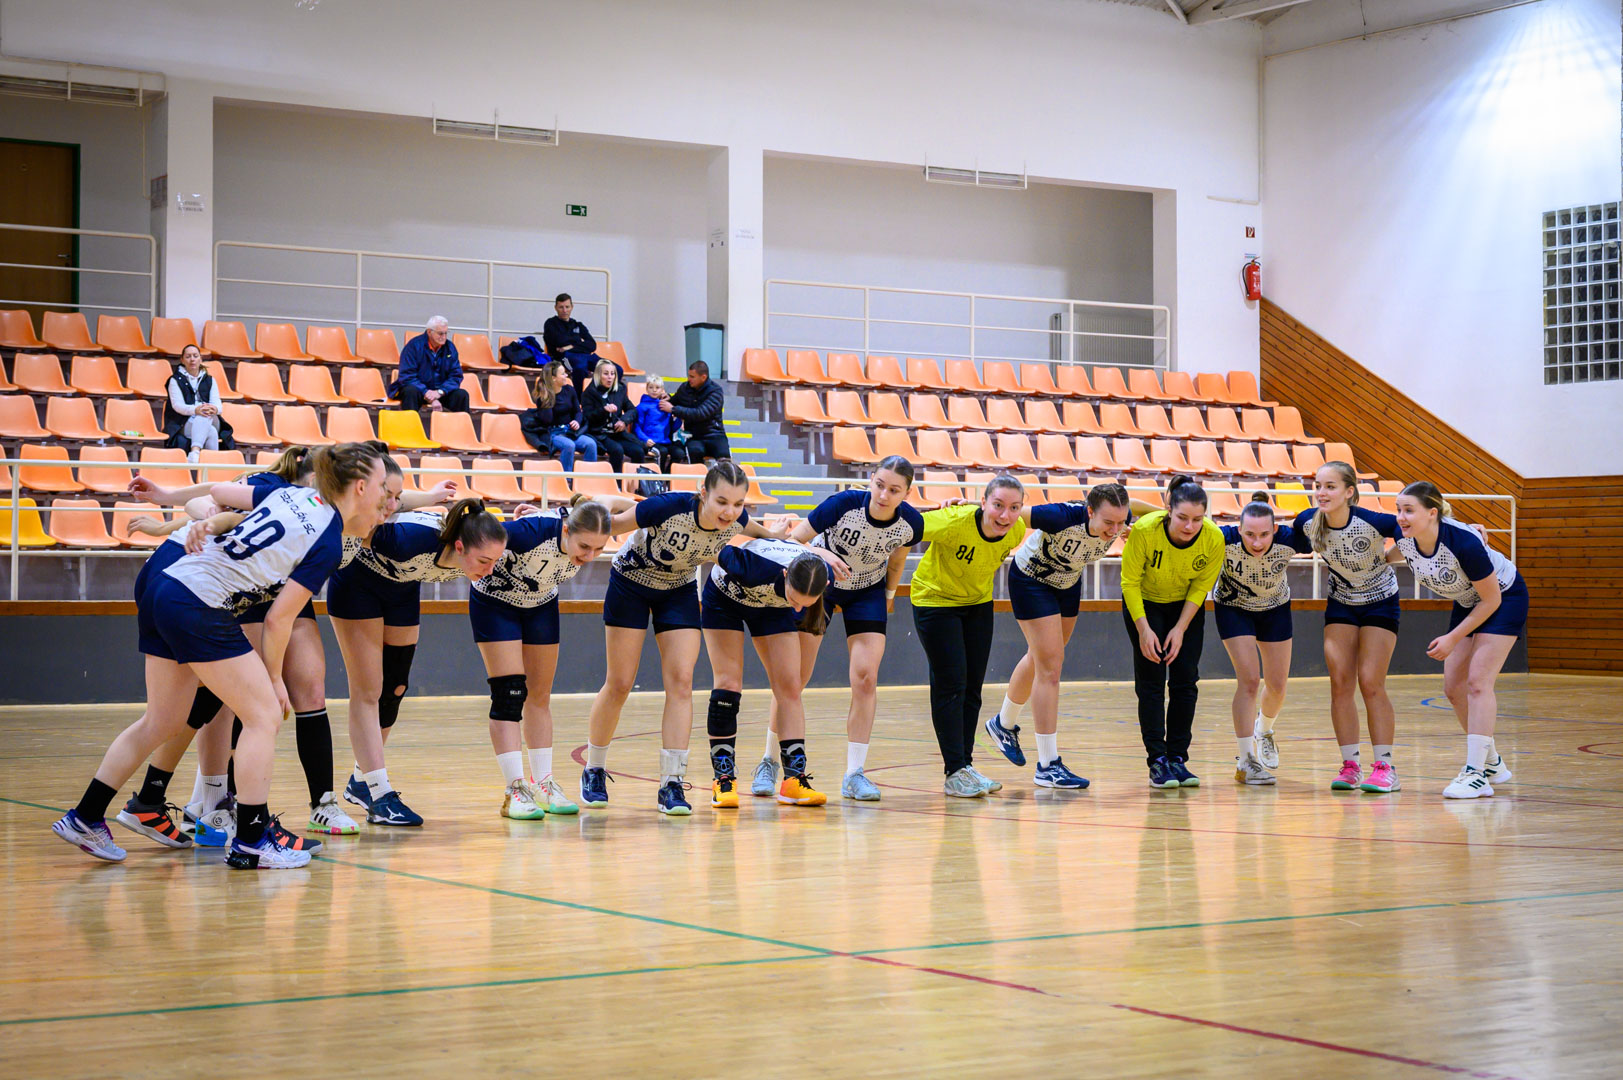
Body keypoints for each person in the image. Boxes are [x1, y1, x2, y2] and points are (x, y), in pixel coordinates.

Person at [51, 443, 389, 868]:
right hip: (199, 601)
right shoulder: (328, 539)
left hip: (167, 585)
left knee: (162, 720)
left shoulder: (293, 493)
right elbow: (278, 619)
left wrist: (206, 520)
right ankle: (252, 839)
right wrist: (274, 679)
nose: (386, 496)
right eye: (383, 486)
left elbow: (222, 495)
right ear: (360, 487)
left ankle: (85, 816)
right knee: (263, 715)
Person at [582, 460, 787, 815]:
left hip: (677, 590)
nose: (730, 512)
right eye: (722, 501)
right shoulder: (667, 507)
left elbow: (756, 531)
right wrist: (596, 504)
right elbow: (609, 525)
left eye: (738, 503)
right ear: (702, 493)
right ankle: (594, 768)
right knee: (620, 683)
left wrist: (776, 535)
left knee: (681, 682)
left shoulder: (735, 520)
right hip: (631, 583)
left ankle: (672, 783)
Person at [752, 458, 924, 802]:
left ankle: (854, 773)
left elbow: (897, 559)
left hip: (867, 591)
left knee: (866, 678)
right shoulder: (843, 504)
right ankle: (769, 761)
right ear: (871, 479)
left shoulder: (911, 523)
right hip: (822, 586)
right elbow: (794, 542)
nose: (884, 495)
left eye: (894, 490)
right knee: (794, 680)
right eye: (879, 485)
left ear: (906, 493)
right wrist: (823, 554)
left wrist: (889, 596)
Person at [329, 500, 508, 827]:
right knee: (368, 690)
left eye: (495, 561)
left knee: (395, 686)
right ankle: (380, 795)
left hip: (402, 589)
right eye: (484, 561)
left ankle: (361, 780)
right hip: (358, 582)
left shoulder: (479, 546)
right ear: (459, 547)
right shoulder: (407, 540)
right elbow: (346, 522)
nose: (490, 570)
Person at [470, 495, 622, 818]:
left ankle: (543, 782)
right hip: (496, 603)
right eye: (584, 547)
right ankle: (515, 789)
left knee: (539, 696)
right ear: (566, 530)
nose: (589, 556)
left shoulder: (577, 526)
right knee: (509, 694)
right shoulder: (528, 534)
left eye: (598, 549)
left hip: (540, 605)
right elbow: (479, 536)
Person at [985, 481, 1134, 790]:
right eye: (1108, 522)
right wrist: (967, 506)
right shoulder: (1060, 516)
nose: (1114, 530)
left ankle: (1003, 724)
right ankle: (1047, 765)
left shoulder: (1120, 517)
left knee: (1042, 658)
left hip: (1067, 583)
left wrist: (1165, 513)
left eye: (1120, 523)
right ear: (1090, 511)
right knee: (1051, 668)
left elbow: (1144, 510)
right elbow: (1010, 512)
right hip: (1032, 580)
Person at [1387, 482, 1525, 798]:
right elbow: (1384, 558)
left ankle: (1476, 774)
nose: (1401, 517)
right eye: (1398, 510)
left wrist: (1452, 637)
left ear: (1432, 513)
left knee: (1478, 682)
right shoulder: (1405, 539)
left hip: (1504, 597)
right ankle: (1491, 762)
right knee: (1453, 688)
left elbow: (1491, 600)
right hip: (1468, 601)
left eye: (1409, 510)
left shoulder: (1463, 543)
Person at [1286, 462, 1404, 793]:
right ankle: (1350, 765)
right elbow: (1281, 539)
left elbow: (1416, 527)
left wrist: (1391, 556)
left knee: (1371, 682)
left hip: (1381, 601)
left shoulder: (1373, 521)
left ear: (1349, 492)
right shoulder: (1307, 521)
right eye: (1318, 486)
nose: (1321, 493)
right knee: (1340, 682)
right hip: (1341, 602)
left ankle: (1385, 768)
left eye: (1330, 486)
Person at [911, 474, 1028, 797]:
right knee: (951, 684)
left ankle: (965, 765)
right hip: (935, 601)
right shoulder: (954, 521)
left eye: (1014, 507)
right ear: (983, 502)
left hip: (977, 604)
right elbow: (909, 525)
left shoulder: (1016, 530)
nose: (1005, 515)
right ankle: (954, 771)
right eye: (998, 505)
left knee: (973, 687)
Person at [702, 538, 837, 808]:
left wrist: (792, 600)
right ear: (785, 575)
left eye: (805, 604)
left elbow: (797, 594)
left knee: (790, 687)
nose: (798, 609)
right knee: (728, 684)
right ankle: (723, 781)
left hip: (773, 606)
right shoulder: (751, 566)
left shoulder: (821, 576)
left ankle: (794, 781)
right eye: (795, 600)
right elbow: (709, 546)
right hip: (726, 598)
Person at [1120, 475, 1224, 790]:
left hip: (1185, 607)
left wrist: (1180, 628)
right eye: (1182, 518)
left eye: (1197, 519)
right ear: (1168, 510)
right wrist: (1144, 630)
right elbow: (1129, 583)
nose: (1190, 526)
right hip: (1145, 604)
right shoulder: (1144, 531)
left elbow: (1202, 586)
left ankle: (1177, 757)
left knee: (1185, 681)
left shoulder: (1213, 538)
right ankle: (1157, 760)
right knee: (1151, 683)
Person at [1214, 493, 1299, 786]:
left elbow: (1326, 531)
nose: (1257, 542)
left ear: (1275, 530)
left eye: (1264, 534)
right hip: (1233, 608)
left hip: (1275, 608)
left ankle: (1264, 729)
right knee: (1249, 681)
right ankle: (1245, 760)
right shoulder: (1223, 539)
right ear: (1239, 529)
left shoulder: (1290, 540)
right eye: (1249, 534)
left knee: (1277, 686)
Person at [522, 360, 597, 471]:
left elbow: (578, 412)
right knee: (569, 445)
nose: (566, 375)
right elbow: (547, 420)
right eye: (562, 374)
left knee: (591, 444)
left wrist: (577, 421)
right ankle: (565, 478)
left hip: (570, 431)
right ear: (553, 378)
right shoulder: (543, 397)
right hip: (553, 433)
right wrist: (548, 398)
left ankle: (589, 478)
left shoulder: (569, 390)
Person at [162, 343, 232, 461]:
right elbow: (177, 406)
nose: (192, 359)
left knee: (204, 414)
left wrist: (214, 409)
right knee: (212, 432)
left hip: (211, 418)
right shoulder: (175, 380)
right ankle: (212, 465)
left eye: (195, 356)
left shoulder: (210, 380)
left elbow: (218, 406)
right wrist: (195, 410)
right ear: (182, 360)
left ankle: (194, 452)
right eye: (188, 356)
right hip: (184, 422)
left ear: (200, 359)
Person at [391, 315, 469, 414]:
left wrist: (440, 392)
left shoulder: (450, 348)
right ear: (429, 332)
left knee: (461, 395)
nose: (444, 337)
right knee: (409, 391)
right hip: (419, 390)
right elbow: (407, 376)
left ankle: (461, 424)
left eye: (446, 333)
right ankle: (409, 423)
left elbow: (456, 375)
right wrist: (426, 393)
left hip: (440, 391)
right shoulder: (413, 346)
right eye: (440, 333)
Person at [581, 358, 646, 477]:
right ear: (598, 375)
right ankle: (616, 483)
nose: (610, 377)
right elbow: (587, 417)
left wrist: (624, 421)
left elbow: (632, 410)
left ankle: (637, 484)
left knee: (638, 451)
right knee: (617, 450)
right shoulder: (589, 393)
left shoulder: (620, 390)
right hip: (599, 434)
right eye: (606, 374)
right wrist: (603, 410)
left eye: (612, 374)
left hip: (617, 433)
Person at [663, 360, 730, 463]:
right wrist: (667, 397)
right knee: (694, 452)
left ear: (703, 377)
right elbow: (675, 401)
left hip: (715, 434)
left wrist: (673, 409)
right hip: (694, 436)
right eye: (688, 375)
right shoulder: (685, 388)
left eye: (692, 377)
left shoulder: (715, 391)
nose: (689, 379)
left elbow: (700, 413)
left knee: (724, 458)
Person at [542, 293, 603, 391]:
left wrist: (570, 346)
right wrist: (579, 341)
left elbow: (592, 345)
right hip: (564, 357)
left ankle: (607, 397)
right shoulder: (551, 323)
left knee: (615, 368)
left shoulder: (578, 325)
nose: (564, 310)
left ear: (572, 307)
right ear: (555, 308)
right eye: (561, 307)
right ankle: (579, 398)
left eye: (567, 307)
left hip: (586, 356)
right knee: (580, 368)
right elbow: (559, 341)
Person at [632, 378, 681, 472]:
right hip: (651, 442)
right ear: (647, 389)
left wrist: (678, 418)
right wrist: (645, 439)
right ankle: (659, 477)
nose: (654, 390)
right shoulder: (642, 406)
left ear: (662, 390)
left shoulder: (666, 406)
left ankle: (667, 476)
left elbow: (673, 428)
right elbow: (637, 426)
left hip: (666, 442)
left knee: (679, 453)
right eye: (651, 387)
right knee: (662, 452)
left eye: (657, 388)